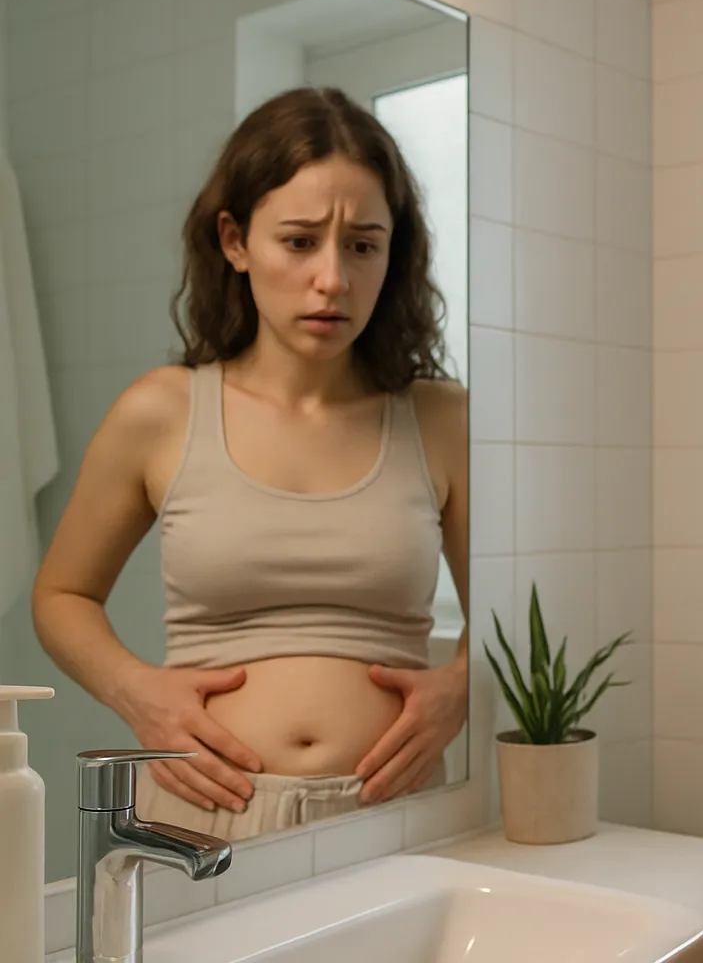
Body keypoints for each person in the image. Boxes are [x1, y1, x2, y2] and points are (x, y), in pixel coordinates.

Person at [31, 87, 469, 840]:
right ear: (235, 241)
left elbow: (523, 605)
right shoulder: (161, 411)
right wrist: (138, 691)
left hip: (387, 823)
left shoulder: (442, 419)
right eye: (299, 241)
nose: (332, 278)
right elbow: (62, 594)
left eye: (363, 244)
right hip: (198, 822)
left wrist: (463, 685)